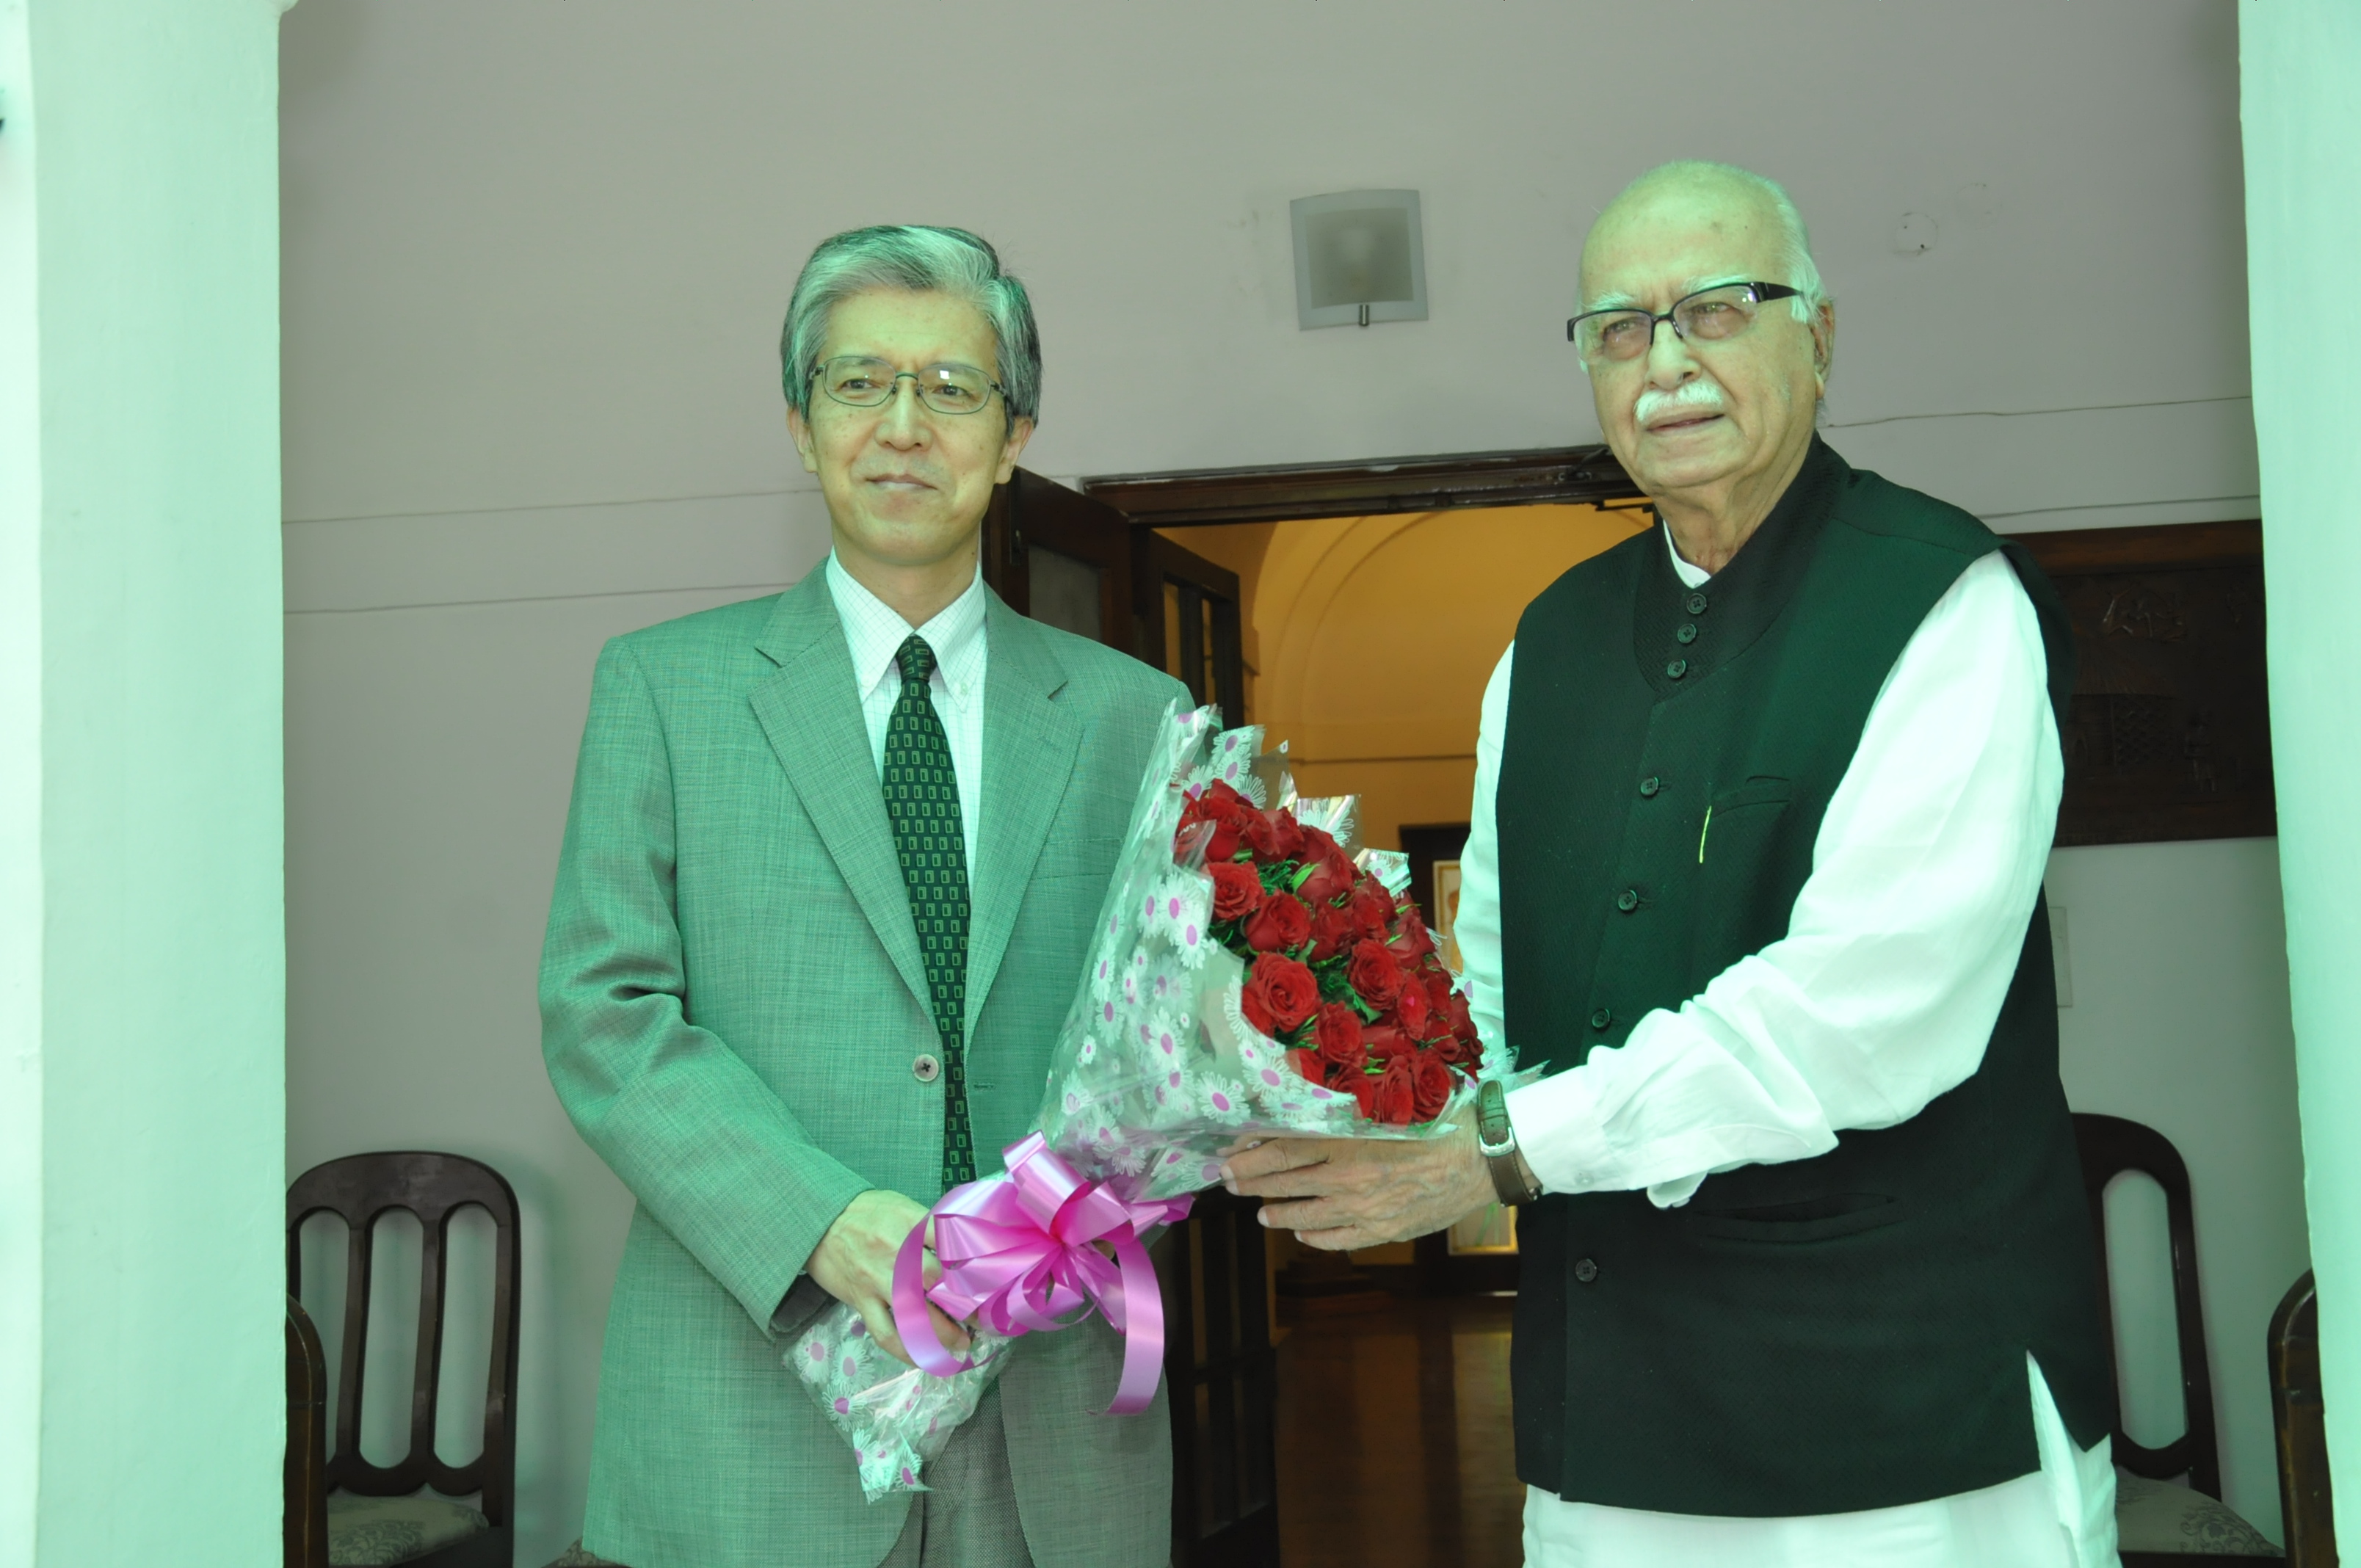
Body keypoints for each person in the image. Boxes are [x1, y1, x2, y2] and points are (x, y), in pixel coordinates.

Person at [1222, 161, 2118, 1567]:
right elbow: (1496, 996)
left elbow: (1866, 1018)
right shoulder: (1548, 646)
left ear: (1819, 336)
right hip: (1615, 1418)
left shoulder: (1945, 601)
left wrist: (1501, 1158)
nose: (1667, 362)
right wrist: (1307, 1086)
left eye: (1718, 308)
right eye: (1621, 329)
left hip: (1906, 1421)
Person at [541, 225, 1186, 1568]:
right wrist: (831, 1230)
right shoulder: (665, 691)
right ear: (798, 420)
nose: (905, 426)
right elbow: (604, 1015)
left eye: (954, 389)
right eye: (858, 383)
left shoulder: (1138, 718)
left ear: (1014, 435)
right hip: (757, 1407)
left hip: (1050, 1432)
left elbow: (1177, 1046)